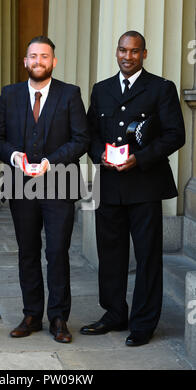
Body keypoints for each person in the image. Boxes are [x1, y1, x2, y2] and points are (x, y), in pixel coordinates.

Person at [80, 31, 185, 346]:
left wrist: (139, 159)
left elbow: (174, 135)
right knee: (110, 254)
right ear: (117, 52)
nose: (127, 57)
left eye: (134, 51)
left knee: (148, 257)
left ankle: (143, 323)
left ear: (144, 54)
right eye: (123, 51)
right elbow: (90, 132)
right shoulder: (102, 90)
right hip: (109, 184)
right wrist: (99, 152)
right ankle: (114, 314)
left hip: (145, 185)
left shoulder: (161, 89)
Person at [0, 36, 89, 343]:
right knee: (27, 252)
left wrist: (50, 162)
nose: (38, 61)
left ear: (53, 62)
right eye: (33, 56)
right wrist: (15, 157)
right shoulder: (9, 94)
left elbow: (81, 139)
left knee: (57, 252)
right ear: (25, 61)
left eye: (44, 56)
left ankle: (58, 317)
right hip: (21, 185)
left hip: (59, 183)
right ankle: (31, 314)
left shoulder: (70, 94)